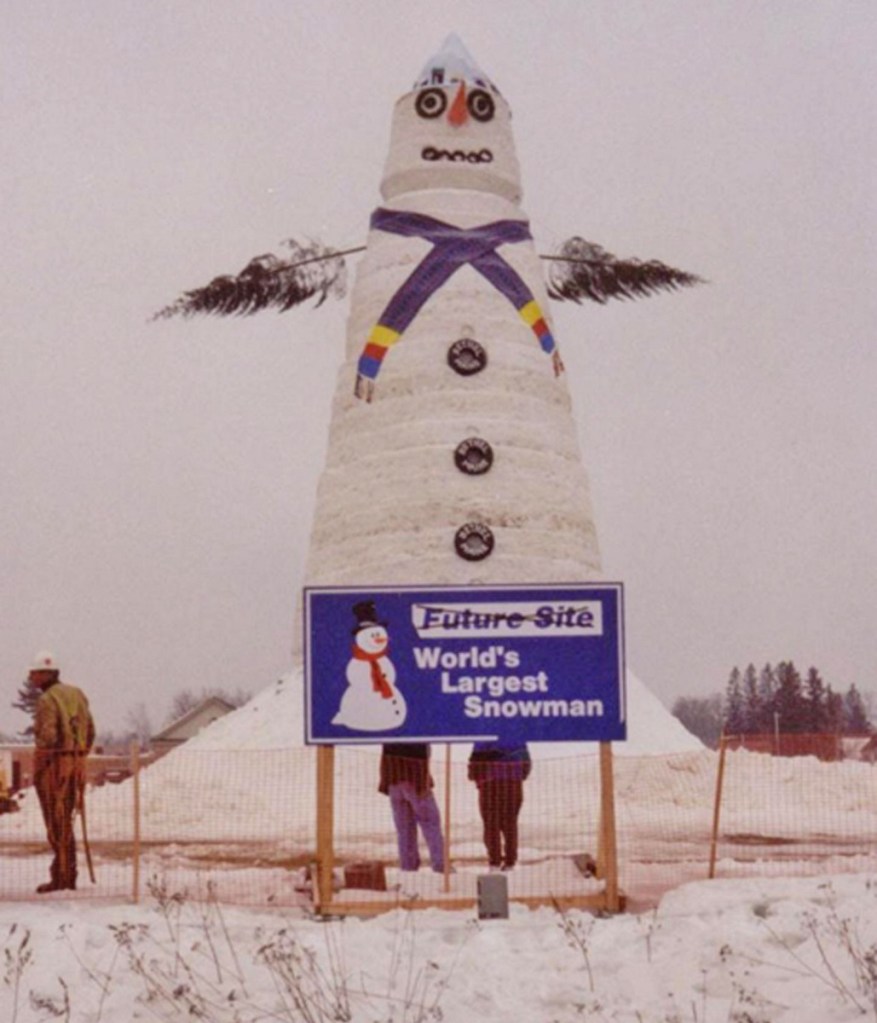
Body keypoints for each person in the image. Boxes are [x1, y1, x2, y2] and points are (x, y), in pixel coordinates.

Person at [28, 651, 95, 893]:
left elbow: (47, 738)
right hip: (75, 765)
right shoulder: (77, 695)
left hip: (55, 768)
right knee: (65, 820)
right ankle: (67, 873)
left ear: (46, 673)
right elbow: (90, 732)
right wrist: (78, 757)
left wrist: (41, 767)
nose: (31, 677)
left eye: (34, 672)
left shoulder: (47, 700)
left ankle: (63, 876)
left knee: (57, 823)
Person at [379, 743, 446, 889]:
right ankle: (440, 865)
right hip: (415, 781)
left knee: (404, 829)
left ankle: (408, 868)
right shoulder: (417, 731)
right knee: (430, 823)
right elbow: (421, 755)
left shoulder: (390, 732)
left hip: (393, 781)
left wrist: (385, 782)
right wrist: (423, 783)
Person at [468, 741, 531, 872]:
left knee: (491, 824)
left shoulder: (484, 734)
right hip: (513, 782)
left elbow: (476, 759)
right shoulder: (517, 734)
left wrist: (475, 777)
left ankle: (494, 862)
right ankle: (510, 862)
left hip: (490, 783)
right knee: (510, 823)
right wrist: (519, 776)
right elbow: (526, 762)